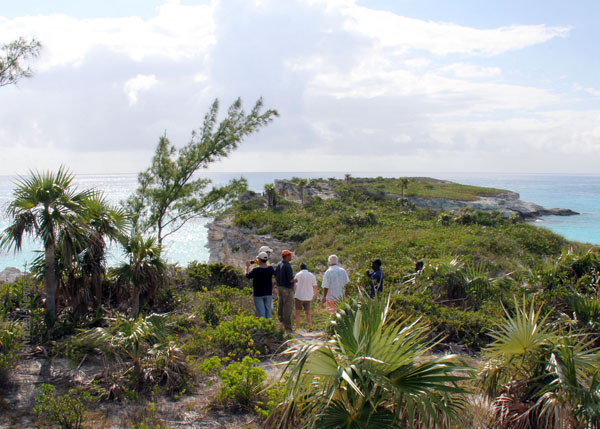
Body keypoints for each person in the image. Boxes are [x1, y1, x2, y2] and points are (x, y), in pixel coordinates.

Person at [245, 252, 276, 319]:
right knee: (268, 312)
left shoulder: (256, 270)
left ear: (259, 259)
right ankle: (270, 327)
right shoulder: (270, 268)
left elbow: (246, 277)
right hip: (268, 293)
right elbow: (266, 268)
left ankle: (263, 328)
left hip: (258, 294)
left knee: (261, 313)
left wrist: (246, 267)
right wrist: (259, 262)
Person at [293, 263, 318, 332]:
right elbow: (315, 286)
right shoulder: (311, 275)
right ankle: (310, 327)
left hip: (299, 296)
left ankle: (298, 327)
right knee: (308, 313)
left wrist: (296, 291)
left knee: (297, 312)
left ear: (300, 268)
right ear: (306, 268)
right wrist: (314, 295)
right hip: (308, 296)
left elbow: (294, 285)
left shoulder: (298, 275)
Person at [275, 249, 295, 331]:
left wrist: (279, 282)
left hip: (279, 287)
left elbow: (275, 275)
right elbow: (290, 280)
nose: (291, 257)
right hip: (287, 288)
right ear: (286, 256)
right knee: (288, 307)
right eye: (290, 255)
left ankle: (280, 324)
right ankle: (287, 327)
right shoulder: (287, 266)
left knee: (280, 305)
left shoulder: (279, 264)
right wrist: (295, 280)